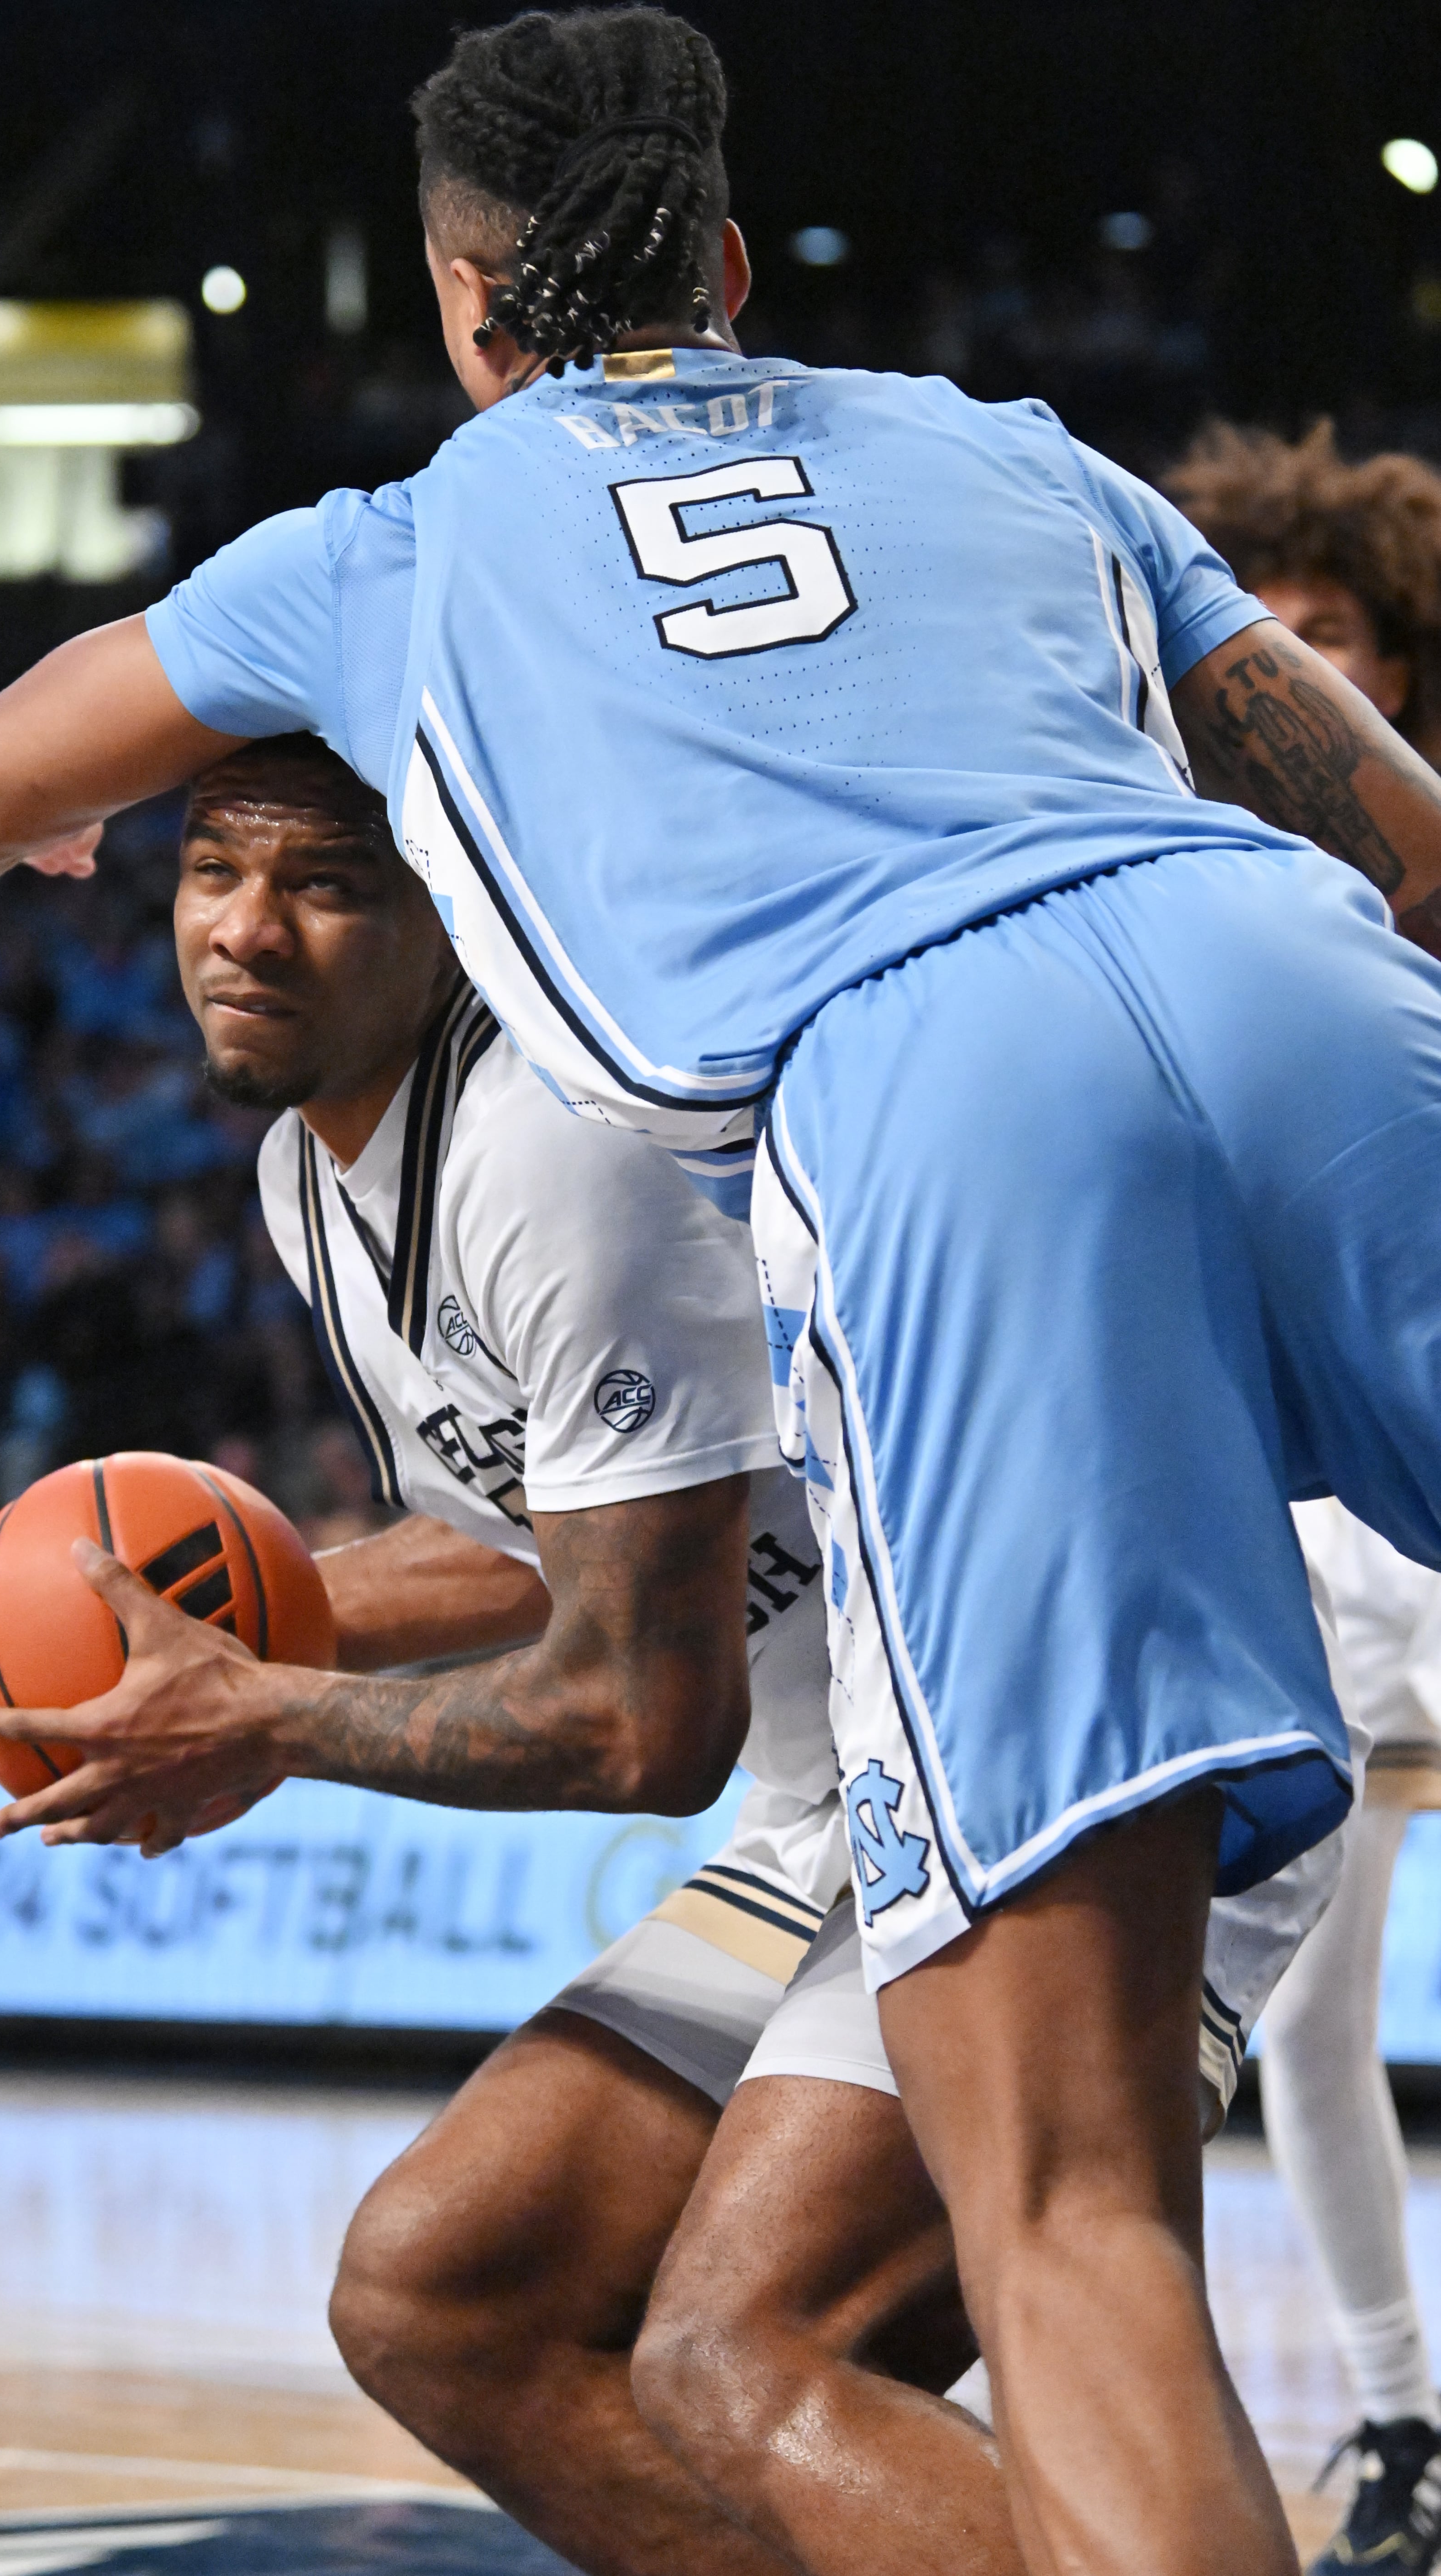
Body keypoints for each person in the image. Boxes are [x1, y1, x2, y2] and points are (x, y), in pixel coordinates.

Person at [0, 12, 1441, 2568]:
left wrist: (24, 817)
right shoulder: (1008, 444)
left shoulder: (398, 543)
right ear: (725, 264)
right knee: (486, 2287)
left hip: (949, 1107)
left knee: (1052, 2223)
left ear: (465, 306)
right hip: (1296, 971)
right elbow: (1397, 837)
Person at [0, 735, 1346, 2576]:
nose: (249, 930)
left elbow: (640, 1719)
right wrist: (224, 1628)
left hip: (1041, 1751)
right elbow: (559, 1543)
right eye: (215, 871)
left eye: (326, 883)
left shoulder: (554, 1155)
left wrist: (269, 1715)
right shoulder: (316, 1175)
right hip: (833, 1799)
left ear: (450, 918)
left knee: (751, 2351)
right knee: (442, 2295)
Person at [1168, 420, 1441, 2576]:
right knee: (1303, 2017)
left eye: (1330, 642)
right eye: (1260, 643)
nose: (1294, 675)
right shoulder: (1173, 897)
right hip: (1312, 1503)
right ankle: (1399, 2420)